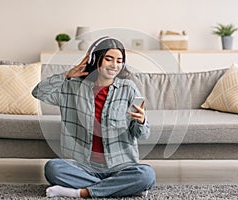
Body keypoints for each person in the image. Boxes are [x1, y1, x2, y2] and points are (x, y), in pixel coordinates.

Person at [32, 36, 155, 198]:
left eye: (119, 60)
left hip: (120, 167)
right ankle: (122, 188)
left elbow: (143, 135)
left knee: (147, 175)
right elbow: (38, 92)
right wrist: (66, 75)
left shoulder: (128, 89)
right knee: (53, 168)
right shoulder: (73, 87)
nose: (114, 65)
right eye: (109, 59)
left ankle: (80, 192)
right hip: (84, 167)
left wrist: (141, 121)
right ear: (96, 60)